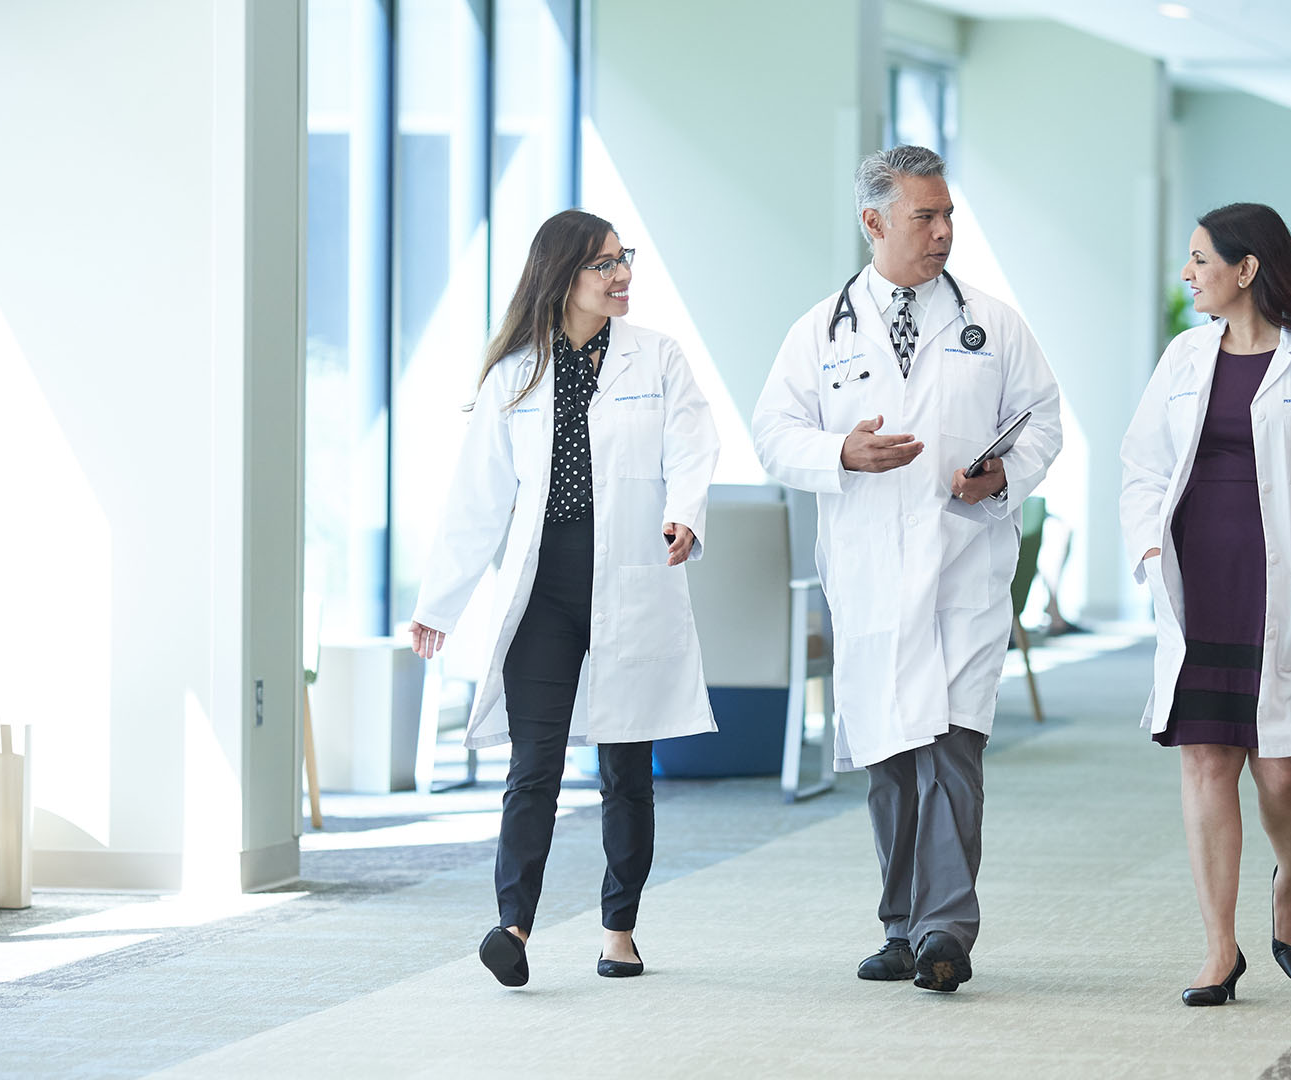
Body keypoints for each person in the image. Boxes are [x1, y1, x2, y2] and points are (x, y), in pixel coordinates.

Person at [752, 145, 1062, 993]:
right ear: (873, 221)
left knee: (953, 752)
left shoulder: (991, 323)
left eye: (949, 214)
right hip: (871, 576)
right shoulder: (821, 331)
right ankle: (900, 928)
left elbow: (1041, 419)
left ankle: (945, 934)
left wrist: (1004, 472)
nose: (943, 231)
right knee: (890, 762)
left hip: (962, 563)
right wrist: (840, 451)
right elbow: (774, 434)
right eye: (925, 216)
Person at [406, 208, 720, 987]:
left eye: (624, 260)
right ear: (563, 276)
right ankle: (512, 926)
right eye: (604, 265)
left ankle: (620, 928)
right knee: (534, 764)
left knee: (625, 767)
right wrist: (437, 604)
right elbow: (477, 499)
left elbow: (692, 441)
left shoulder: (658, 358)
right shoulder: (517, 372)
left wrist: (685, 510)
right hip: (544, 589)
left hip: (633, 576)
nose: (622, 277)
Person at [1119, 203, 1291, 1006]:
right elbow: (1142, 463)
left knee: (1282, 775)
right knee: (1206, 759)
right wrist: (1145, 544)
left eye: (1201, 258)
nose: (1188, 272)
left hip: (1287, 591)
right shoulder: (1184, 355)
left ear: (1248, 268)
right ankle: (1217, 949)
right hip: (1199, 583)